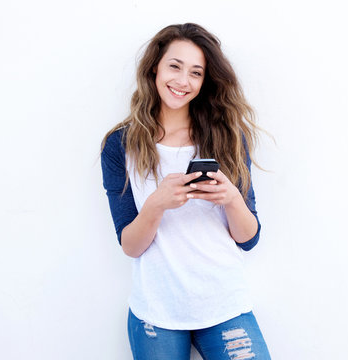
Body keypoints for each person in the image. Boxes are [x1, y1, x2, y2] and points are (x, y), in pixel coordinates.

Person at [101, 23, 271, 359]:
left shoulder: (227, 137)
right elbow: (130, 245)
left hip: (224, 304)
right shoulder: (120, 146)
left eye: (196, 73)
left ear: (205, 81)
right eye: (174, 66)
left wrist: (232, 199)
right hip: (156, 311)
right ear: (155, 68)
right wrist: (155, 206)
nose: (182, 81)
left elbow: (248, 239)